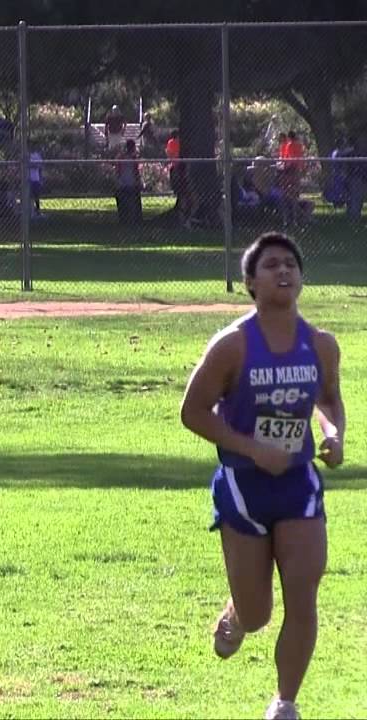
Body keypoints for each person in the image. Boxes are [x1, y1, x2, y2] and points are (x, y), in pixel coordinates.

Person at [180, 233, 344, 720]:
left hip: (298, 483)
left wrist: (334, 434)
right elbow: (192, 411)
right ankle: (237, 611)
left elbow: (329, 399)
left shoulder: (321, 344)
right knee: (258, 615)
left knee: (303, 584)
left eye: (290, 264)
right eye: (271, 265)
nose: (283, 271)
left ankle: (285, 702)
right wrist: (253, 449)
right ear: (250, 281)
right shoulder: (232, 345)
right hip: (244, 487)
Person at [114, 139, 143, 225]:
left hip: (122, 183)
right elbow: (136, 171)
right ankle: (133, 220)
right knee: (133, 202)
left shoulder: (120, 157)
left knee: (125, 202)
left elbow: (117, 171)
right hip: (131, 184)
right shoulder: (132, 158)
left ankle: (125, 220)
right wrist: (139, 182)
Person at [28, 150, 45, 218]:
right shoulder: (27, 154)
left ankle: (37, 211)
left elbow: (40, 167)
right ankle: (30, 212)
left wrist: (41, 179)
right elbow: (27, 165)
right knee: (29, 196)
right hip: (28, 179)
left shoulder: (37, 155)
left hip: (36, 179)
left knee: (36, 196)